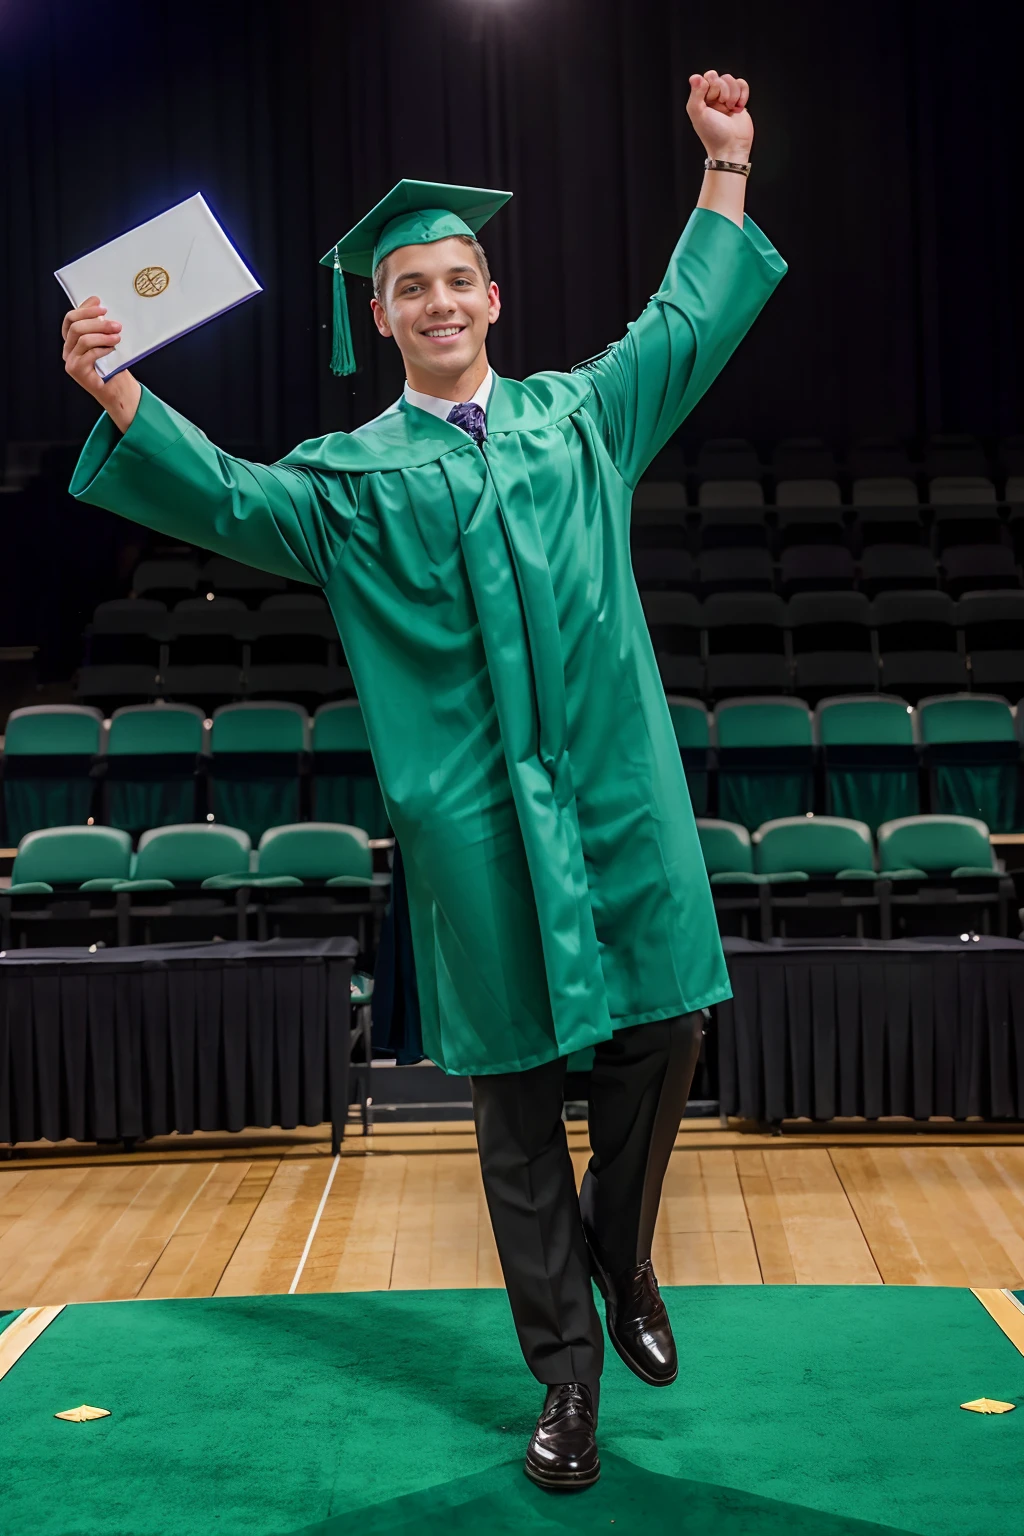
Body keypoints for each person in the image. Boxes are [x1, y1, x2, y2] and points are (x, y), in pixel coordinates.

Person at [62, 70, 785, 1491]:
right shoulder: (343, 484)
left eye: (460, 279)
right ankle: (565, 1384)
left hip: (616, 798)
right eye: (413, 286)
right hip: (470, 827)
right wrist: (114, 382)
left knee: (671, 1027)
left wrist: (727, 166)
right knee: (516, 1107)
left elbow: (690, 322)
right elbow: (218, 494)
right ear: (380, 315)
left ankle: (624, 1247)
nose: (441, 301)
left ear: (493, 301)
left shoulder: (582, 421)